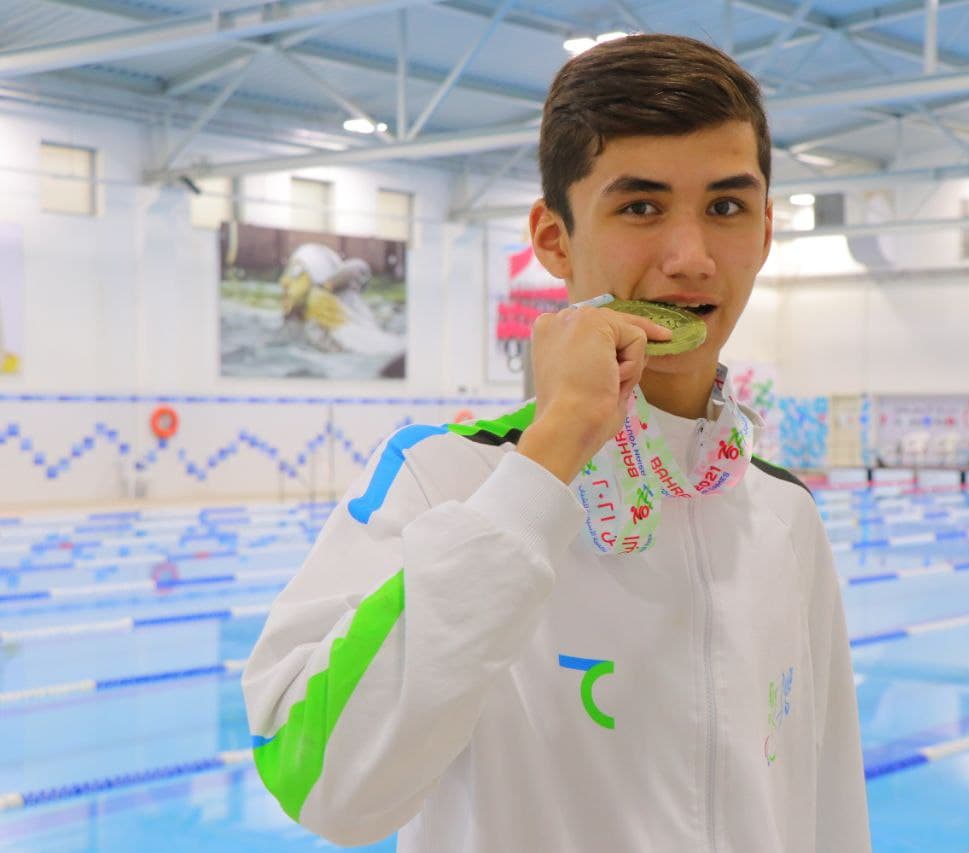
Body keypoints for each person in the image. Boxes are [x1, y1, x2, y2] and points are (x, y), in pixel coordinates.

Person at [242, 33, 870, 852]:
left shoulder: (783, 513)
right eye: (641, 207)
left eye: (726, 207)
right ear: (554, 239)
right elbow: (323, 783)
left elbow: (828, 801)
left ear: (765, 230)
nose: (691, 259)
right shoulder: (446, 479)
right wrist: (551, 453)